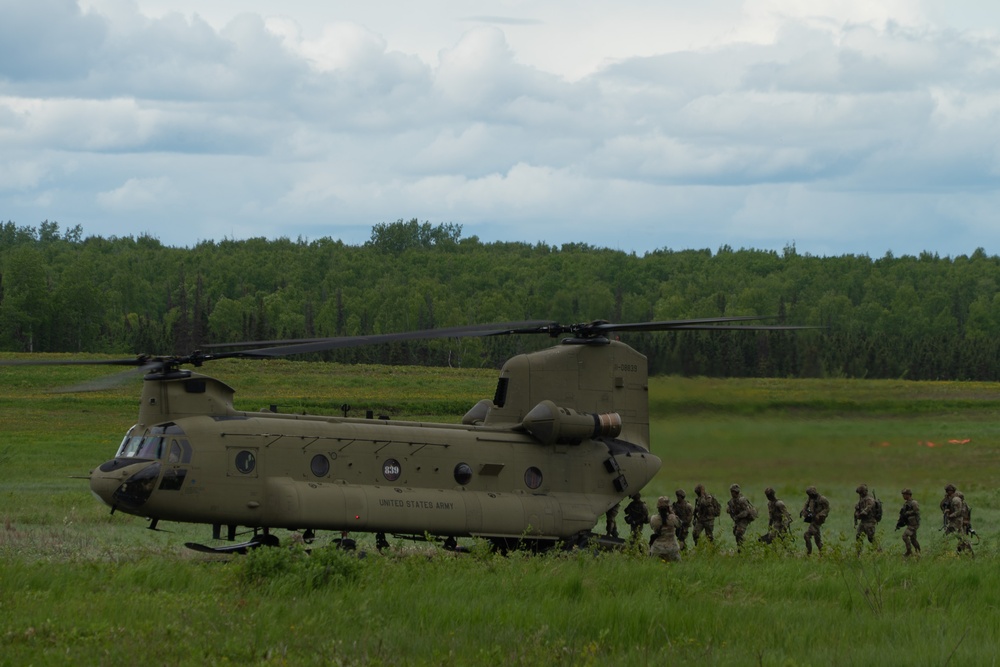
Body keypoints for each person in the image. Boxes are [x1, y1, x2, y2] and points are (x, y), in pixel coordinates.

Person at [649, 496, 681, 562]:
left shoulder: (654, 519)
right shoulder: (673, 518)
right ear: (668, 508)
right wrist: (672, 513)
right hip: (672, 548)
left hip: (657, 548)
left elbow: (652, 527)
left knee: (651, 564)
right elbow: (679, 525)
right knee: (679, 566)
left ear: (658, 508)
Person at [725, 483, 757, 550]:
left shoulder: (742, 500)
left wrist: (737, 516)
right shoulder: (733, 500)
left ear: (736, 492)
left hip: (744, 519)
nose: (731, 493)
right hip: (738, 519)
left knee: (739, 533)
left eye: (732, 492)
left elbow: (746, 512)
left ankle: (742, 549)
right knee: (735, 532)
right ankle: (743, 545)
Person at [800, 486, 830, 555]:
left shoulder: (822, 499)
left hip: (818, 520)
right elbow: (806, 505)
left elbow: (827, 509)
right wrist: (804, 511)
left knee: (807, 535)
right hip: (812, 518)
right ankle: (821, 552)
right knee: (817, 539)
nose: (810, 496)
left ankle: (809, 553)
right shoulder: (810, 498)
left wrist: (820, 514)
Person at [943, 484, 972, 554]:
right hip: (955, 521)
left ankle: (943, 550)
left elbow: (958, 512)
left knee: (954, 537)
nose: (946, 492)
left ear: (951, 491)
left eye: (947, 491)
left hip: (956, 522)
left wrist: (950, 515)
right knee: (960, 538)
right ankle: (967, 552)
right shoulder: (951, 499)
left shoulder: (956, 500)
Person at [853, 484, 879, 553]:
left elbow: (869, 507)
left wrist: (862, 512)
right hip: (863, 521)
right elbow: (858, 509)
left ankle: (879, 551)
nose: (860, 495)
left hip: (870, 521)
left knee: (871, 538)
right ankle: (858, 553)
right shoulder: (861, 499)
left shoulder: (869, 499)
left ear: (864, 492)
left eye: (861, 493)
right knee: (858, 537)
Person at [895, 488, 921, 556]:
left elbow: (916, 511)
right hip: (910, 523)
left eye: (905, 495)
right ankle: (918, 551)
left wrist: (908, 513)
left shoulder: (913, 502)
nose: (903, 496)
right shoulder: (906, 503)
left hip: (914, 524)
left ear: (909, 495)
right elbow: (903, 515)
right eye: (903, 495)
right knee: (913, 539)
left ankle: (909, 551)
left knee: (905, 536)